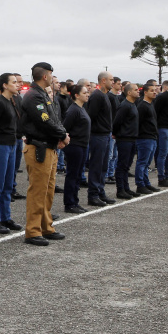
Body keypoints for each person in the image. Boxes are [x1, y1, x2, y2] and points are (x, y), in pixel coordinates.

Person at [21, 63, 68, 246]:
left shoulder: (42, 95)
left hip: (49, 147)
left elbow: (55, 118)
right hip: (38, 148)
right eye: (50, 74)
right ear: (45, 76)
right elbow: (44, 120)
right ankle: (32, 231)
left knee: (47, 191)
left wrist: (61, 135)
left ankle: (45, 226)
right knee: (38, 191)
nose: (52, 78)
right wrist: (62, 135)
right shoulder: (33, 96)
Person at [0, 73, 24, 232]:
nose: (17, 84)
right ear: (5, 85)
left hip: (11, 144)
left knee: (8, 184)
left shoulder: (11, 101)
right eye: (13, 82)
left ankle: (5, 217)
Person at [86, 71, 115, 206]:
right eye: (111, 79)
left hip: (106, 135)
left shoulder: (105, 95)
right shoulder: (97, 96)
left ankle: (100, 192)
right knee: (97, 166)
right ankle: (93, 195)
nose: (113, 82)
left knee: (104, 166)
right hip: (98, 136)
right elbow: (90, 116)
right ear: (103, 80)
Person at [62, 84, 91, 213]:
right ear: (76, 95)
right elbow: (65, 127)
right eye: (84, 93)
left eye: (87, 92)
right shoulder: (73, 110)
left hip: (83, 145)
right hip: (75, 145)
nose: (87, 94)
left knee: (78, 175)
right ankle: (69, 203)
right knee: (72, 174)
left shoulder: (82, 108)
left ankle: (75, 201)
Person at [112, 82, 140, 199]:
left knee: (127, 166)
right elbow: (117, 121)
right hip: (124, 139)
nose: (138, 91)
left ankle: (126, 188)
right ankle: (120, 190)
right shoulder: (124, 105)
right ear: (129, 92)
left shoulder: (133, 105)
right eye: (136, 90)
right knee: (122, 165)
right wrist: (116, 133)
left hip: (132, 138)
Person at [135, 83, 160, 195]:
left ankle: (146, 183)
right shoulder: (142, 106)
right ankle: (140, 185)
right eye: (151, 90)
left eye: (155, 90)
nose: (154, 92)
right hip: (144, 138)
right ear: (145, 92)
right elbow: (138, 122)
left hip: (152, 137)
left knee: (147, 163)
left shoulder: (151, 104)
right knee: (142, 162)